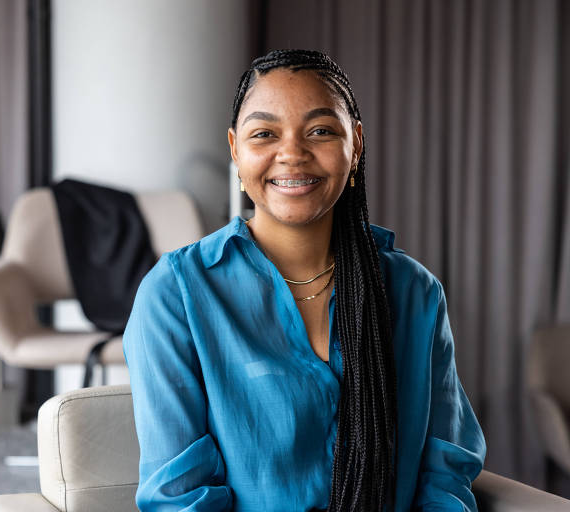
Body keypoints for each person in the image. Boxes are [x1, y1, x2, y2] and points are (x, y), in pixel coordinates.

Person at [122, 49, 486, 511]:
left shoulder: (414, 293)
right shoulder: (176, 295)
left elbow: (444, 476)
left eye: (320, 130)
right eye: (264, 133)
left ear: (355, 144)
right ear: (235, 150)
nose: (292, 153)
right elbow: (178, 499)